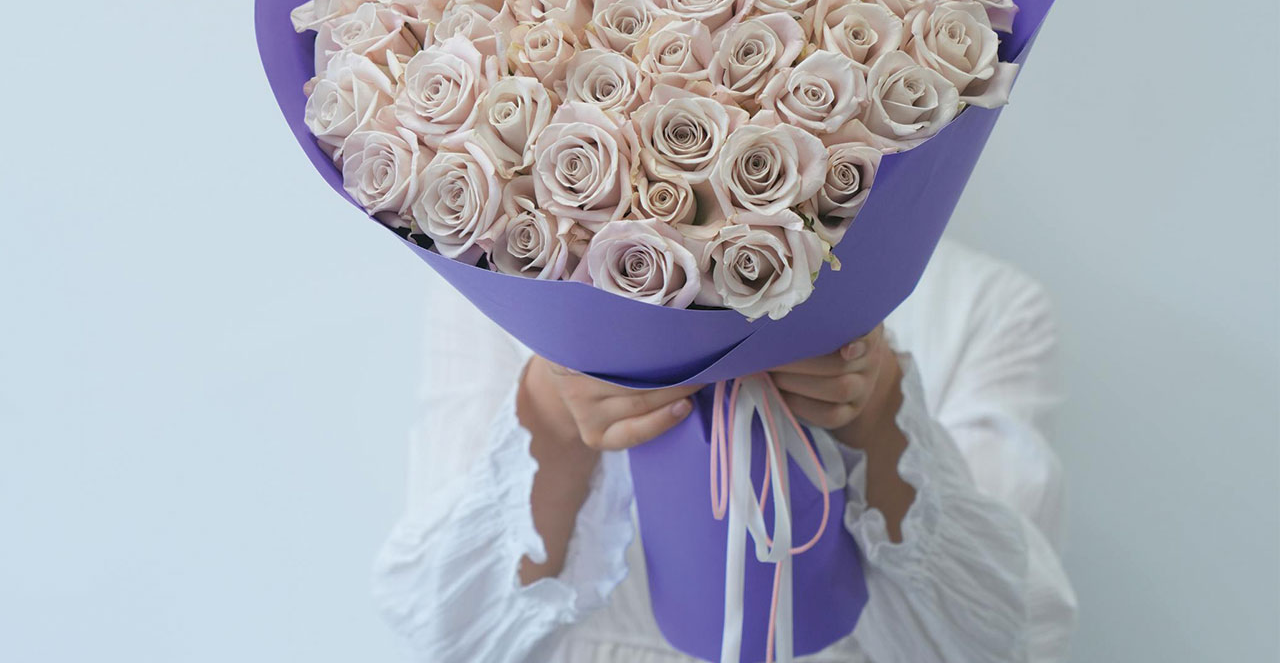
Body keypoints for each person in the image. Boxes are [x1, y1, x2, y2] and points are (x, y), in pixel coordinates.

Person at [372, 236, 1078, 662]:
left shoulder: (984, 306)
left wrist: (880, 405)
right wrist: (556, 409)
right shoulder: (501, 287)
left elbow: (1010, 641)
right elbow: (442, 632)